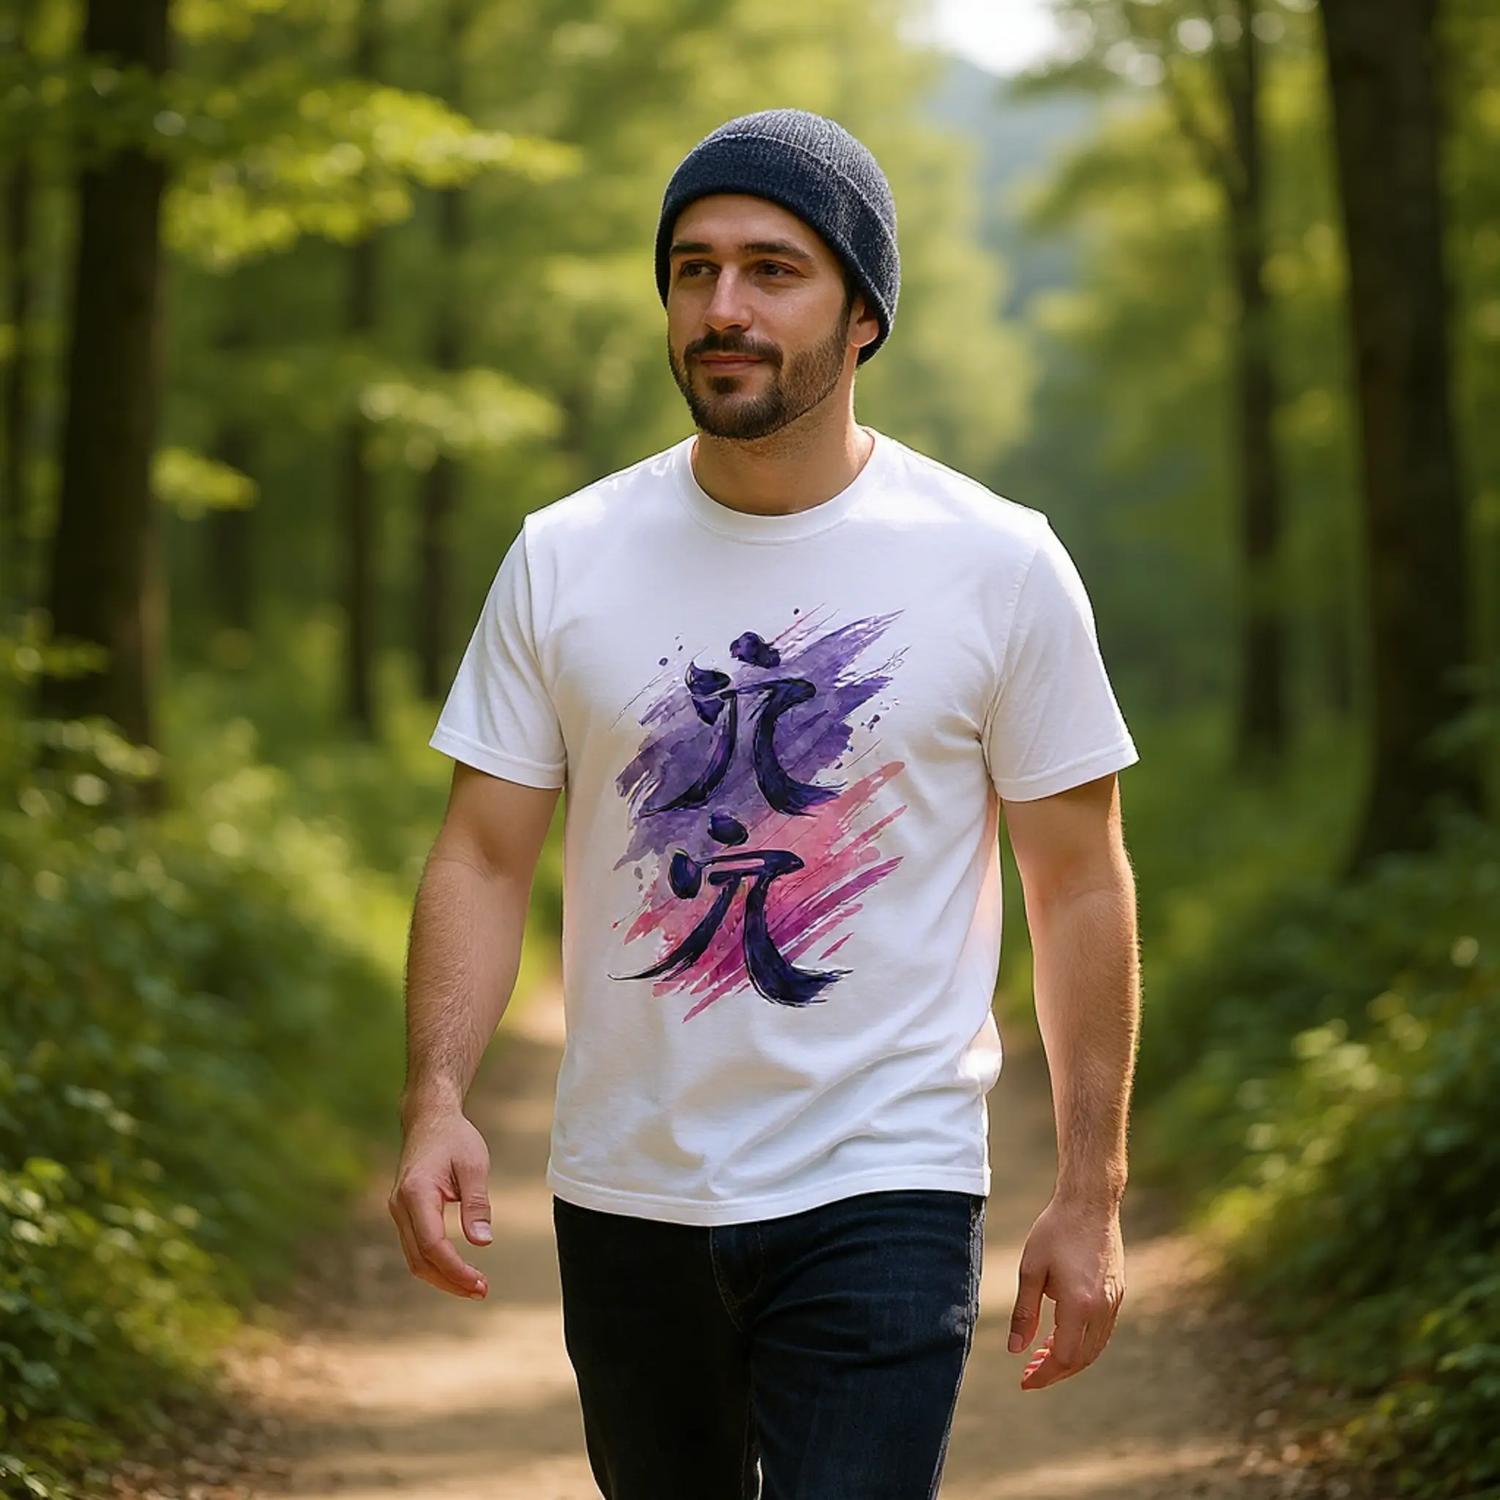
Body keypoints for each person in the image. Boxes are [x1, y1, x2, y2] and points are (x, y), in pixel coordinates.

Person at [390, 108, 1142, 1499]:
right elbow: (483, 857)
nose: (722, 307)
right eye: (694, 270)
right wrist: (435, 1098)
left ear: (863, 314)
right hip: (627, 1184)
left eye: (772, 270)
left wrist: (1090, 1192)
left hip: (888, 1176)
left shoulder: (999, 566)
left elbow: (1080, 881)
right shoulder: (563, 557)